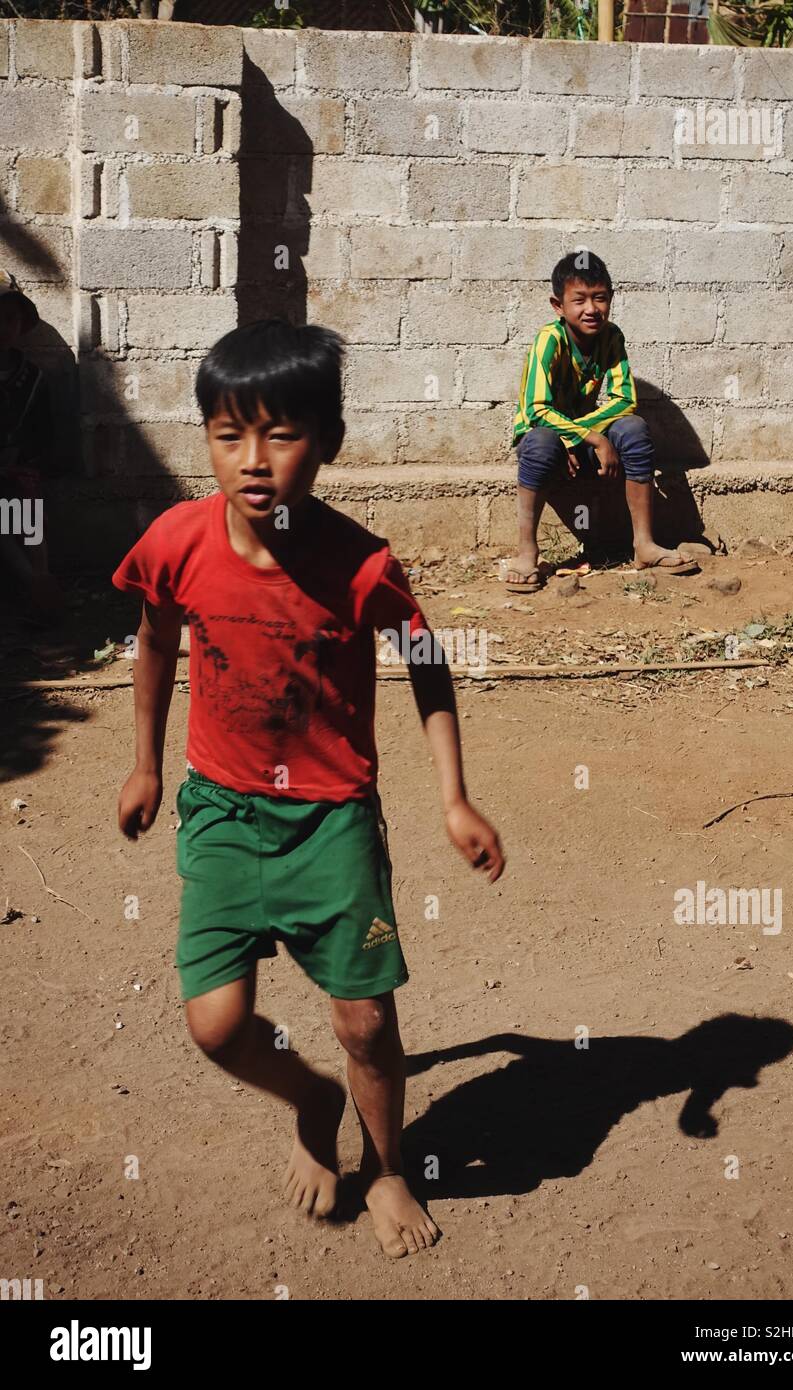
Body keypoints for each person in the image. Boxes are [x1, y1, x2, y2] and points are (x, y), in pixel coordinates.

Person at [112, 318, 505, 1259]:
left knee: (364, 1020)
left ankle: (389, 1167)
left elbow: (426, 663)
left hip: (332, 822)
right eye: (228, 434)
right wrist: (147, 762)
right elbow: (157, 642)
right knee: (217, 1026)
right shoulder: (175, 542)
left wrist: (454, 797)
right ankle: (309, 1095)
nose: (253, 462)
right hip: (223, 810)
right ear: (204, 437)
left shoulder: (361, 565)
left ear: (326, 442)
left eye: (281, 435)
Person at [504, 250, 697, 592]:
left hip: (578, 437)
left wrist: (585, 435)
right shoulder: (549, 340)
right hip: (546, 440)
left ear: (611, 300)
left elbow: (625, 399)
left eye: (600, 298)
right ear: (558, 306)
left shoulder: (612, 337)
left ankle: (644, 544)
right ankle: (527, 552)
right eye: (579, 300)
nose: (591, 309)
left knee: (634, 428)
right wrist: (593, 438)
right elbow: (536, 410)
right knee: (539, 443)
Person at [0, 269, 62, 622]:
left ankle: (41, 574)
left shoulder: (33, 378)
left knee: (26, 506)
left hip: (19, 468)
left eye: (10, 319)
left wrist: (22, 457)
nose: (2, 328)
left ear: (22, 325)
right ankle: (32, 582)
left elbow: (44, 431)